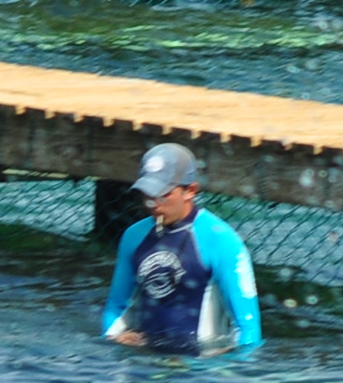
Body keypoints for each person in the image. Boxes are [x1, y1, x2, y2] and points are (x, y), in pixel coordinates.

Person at [103, 142, 264, 354]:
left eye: (162, 195)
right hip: (144, 362)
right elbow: (116, 306)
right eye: (147, 195)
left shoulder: (222, 241)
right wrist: (113, 338)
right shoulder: (134, 237)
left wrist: (224, 364)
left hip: (199, 371)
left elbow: (248, 330)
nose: (153, 204)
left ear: (190, 190)